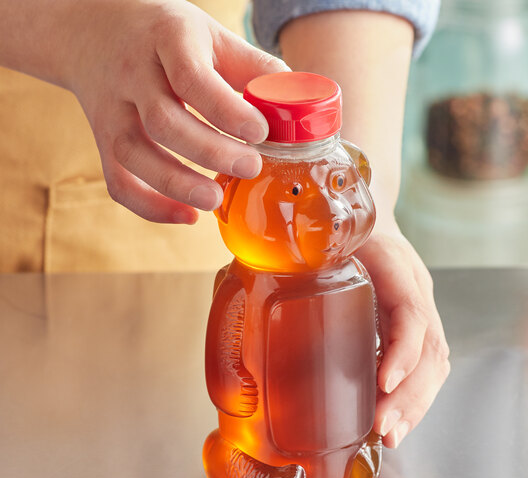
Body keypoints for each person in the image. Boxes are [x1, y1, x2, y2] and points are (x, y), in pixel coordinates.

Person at [0, 0, 449, 448]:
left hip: (192, 202)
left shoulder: (345, 267)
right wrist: (81, 32)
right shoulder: (244, 282)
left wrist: (368, 211)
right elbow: (227, 356)